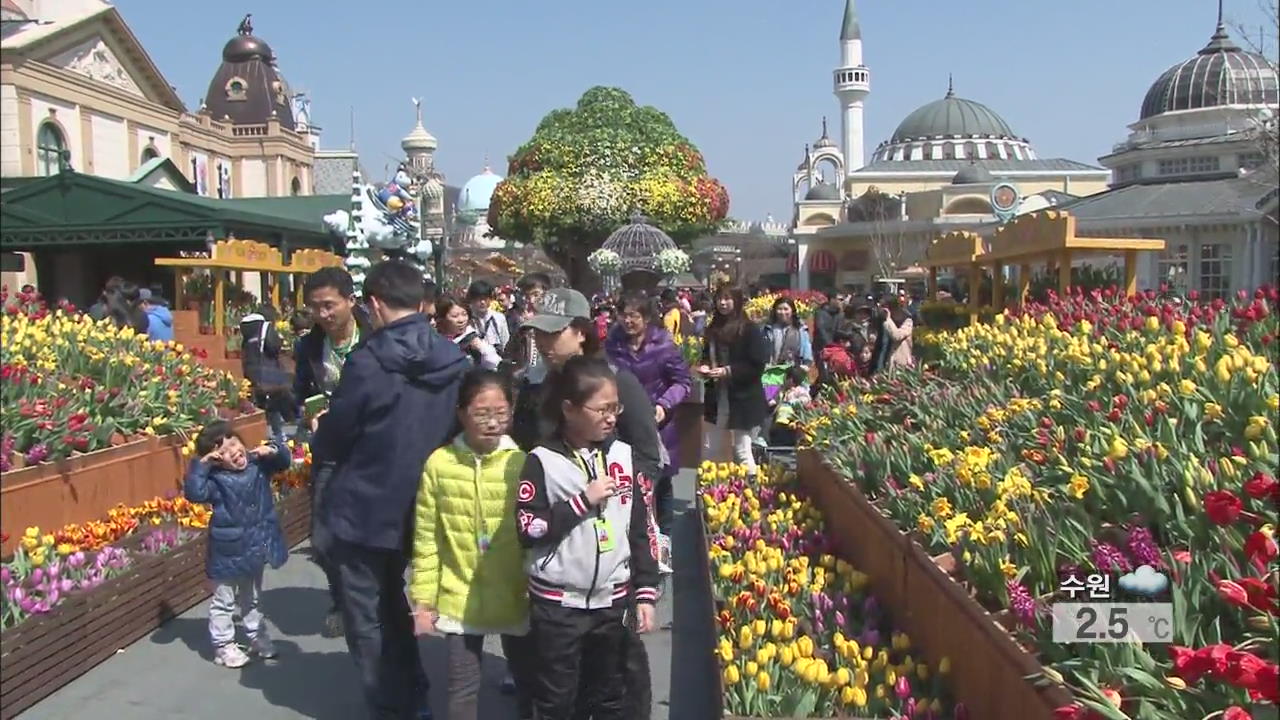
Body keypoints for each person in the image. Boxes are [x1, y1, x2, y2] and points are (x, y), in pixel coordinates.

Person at [311, 260, 470, 720]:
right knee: (394, 600)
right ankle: (413, 691)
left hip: (365, 505)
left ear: (374, 303)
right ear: (422, 303)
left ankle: (392, 702)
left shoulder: (367, 362)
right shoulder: (453, 359)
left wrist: (322, 430)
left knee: (368, 613)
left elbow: (336, 437)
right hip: (423, 502)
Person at [515, 356, 659, 720]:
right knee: (556, 700)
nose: (612, 418)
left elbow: (641, 528)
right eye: (602, 409)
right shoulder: (542, 461)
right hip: (558, 606)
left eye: (616, 408)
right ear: (569, 409)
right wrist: (581, 502)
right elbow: (528, 527)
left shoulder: (623, 456)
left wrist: (645, 592)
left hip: (611, 603)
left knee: (609, 695)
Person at [410, 370, 533, 720]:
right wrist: (423, 601)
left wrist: (536, 588)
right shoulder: (440, 463)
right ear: (462, 413)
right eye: (482, 413)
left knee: (529, 683)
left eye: (501, 412)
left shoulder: (522, 462)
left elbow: (534, 534)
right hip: (459, 595)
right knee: (462, 688)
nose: (493, 422)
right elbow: (427, 537)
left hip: (516, 592)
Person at [294, 266, 371, 638]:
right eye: (314, 307)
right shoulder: (310, 346)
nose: (323, 315)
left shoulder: (375, 341)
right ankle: (341, 597)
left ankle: (372, 601)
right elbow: (301, 389)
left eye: (329, 305)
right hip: (328, 450)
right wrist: (310, 412)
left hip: (370, 450)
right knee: (322, 538)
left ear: (350, 301)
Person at [183, 421, 291, 668]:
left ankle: (255, 635)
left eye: (234, 443)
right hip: (228, 551)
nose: (233, 451)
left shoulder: (258, 466)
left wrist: (274, 449)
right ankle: (223, 645)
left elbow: (283, 462)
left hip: (255, 546)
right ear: (216, 459)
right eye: (223, 451)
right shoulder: (216, 480)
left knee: (252, 597)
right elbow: (195, 493)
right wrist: (202, 466)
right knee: (224, 600)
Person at [605, 291, 690, 535]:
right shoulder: (613, 345)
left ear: (646, 317)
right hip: (623, 424)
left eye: (634, 316)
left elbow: (682, 382)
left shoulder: (663, 344)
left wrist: (664, 405)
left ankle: (665, 540)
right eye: (623, 315)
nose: (628, 321)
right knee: (628, 484)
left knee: (661, 483)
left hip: (659, 426)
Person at [697, 286, 769, 478]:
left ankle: (751, 494)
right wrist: (704, 367)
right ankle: (712, 495)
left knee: (742, 450)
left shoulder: (749, 329)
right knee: (710, 449)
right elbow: (706, 356)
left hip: (742, 398)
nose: (722, 303)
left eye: (728, 299)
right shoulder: (713, 329)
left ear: (737, 301)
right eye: (719, 299)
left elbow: (757, 364)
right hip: (717, 397)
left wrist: (728, 371)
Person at [240, 304, 293, 437]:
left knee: (262, 402)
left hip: (251, 370)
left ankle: (265, 435)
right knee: (277, 398)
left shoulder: (247, 328)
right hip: (268, 371)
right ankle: (279, 433)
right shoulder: (266, 327)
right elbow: (272, 346)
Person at [436, 296, 502, 370]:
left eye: (464, 314)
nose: (461, 320)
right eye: (454, 316)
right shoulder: (434, 339)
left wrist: (483, 348)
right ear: (442, 318)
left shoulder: (472, 339)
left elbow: (494, 363)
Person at [467, 280, 510, 354]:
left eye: (485, 298)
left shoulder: (499, 318)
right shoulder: (467, 318)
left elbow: (505, 344)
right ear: (471, 299)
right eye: (479, 299)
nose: (483, 302)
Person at [877, 296, 916, 371]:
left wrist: (888, 320)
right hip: (882, 362)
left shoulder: (907, 321)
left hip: (899, 364)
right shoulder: (881, 321)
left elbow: (897, 336)